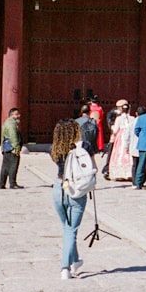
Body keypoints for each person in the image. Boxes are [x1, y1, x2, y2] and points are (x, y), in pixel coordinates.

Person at [50, 119, 87, 280]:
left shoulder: (54, 150)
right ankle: (65, 267)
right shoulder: (83, 148)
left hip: (59, 187)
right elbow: (92, 168)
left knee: (67, 227)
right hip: (76, 189)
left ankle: (76, 260)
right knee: (71, 229)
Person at [107, 100, 135, 181]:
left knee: (119, 153)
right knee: (129, 154)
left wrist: (112, 128)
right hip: (129, 136)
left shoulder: (119, 118)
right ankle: (129, 173)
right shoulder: (132, 118)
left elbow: (115, 130)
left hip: (121, 137)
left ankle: (120, 174)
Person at [0, 107, 23, 188]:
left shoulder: (6, 122)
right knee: (13, 165)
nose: (19, 116)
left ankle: (2, 183)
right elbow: (13, 136)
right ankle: (12, 183)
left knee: (5, 166)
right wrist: (16, 148)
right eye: (16, 114)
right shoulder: (12, 124)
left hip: (6, 147)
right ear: (11, 115)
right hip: (12, 148)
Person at [101, 99, 122, 177]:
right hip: (115, 135)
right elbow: (110, 122)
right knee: (111, 151)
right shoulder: (113, 113)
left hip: (122, 136)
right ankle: (107, 167)